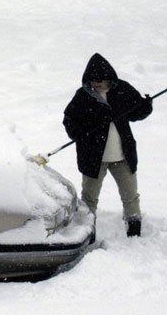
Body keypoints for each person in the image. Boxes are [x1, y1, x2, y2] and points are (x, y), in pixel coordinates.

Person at [63, 53, 153, 237]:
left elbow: (135, 113)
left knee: (130, 196)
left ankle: (134, 231)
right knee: (89, 200)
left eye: (100, 80)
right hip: (94, 158)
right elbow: (69, 120)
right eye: (92, 80)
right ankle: (88, 234)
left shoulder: (122, 90)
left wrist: (145, 106)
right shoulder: (83, 96)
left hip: (123, 157)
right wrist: (80, 134)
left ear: (109, 79)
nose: (96, 84)